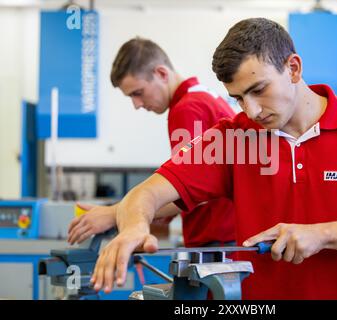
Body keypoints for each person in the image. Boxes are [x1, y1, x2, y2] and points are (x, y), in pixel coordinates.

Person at [89, 18, 337, 299]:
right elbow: (146, 193)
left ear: (294, 68)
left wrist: (323, 235)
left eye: (258, 90)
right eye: (238, 98)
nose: (251, 110)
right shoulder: (233, 137)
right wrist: (133, 226)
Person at [67, 37, 236, 249]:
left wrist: (115, 213)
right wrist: (165, 208)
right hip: (226, 236)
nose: (137, 104)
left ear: (162, 74)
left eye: (138, 93)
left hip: (217, 242)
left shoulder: (187, 109)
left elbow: (191, 188)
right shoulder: (202, 97)